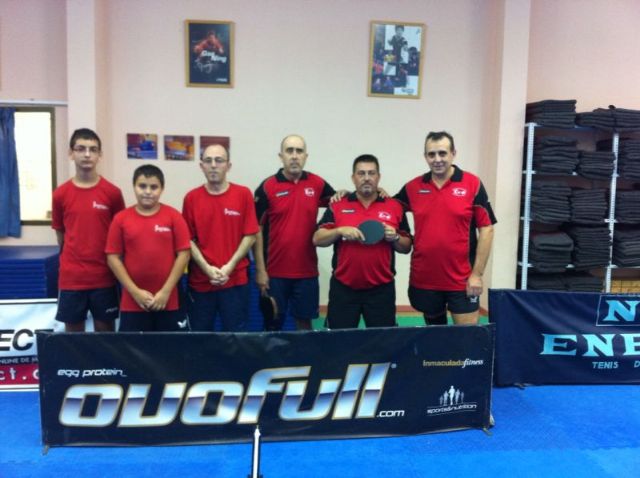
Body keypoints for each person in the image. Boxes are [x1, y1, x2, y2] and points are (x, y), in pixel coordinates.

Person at [394, 131, 496, 325]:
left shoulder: (472, 184)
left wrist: (477, 274)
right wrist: (375, 193)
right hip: (425, 278)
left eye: (442, 153)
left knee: (466, 337)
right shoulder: (413, 187)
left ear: (453, 153)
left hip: (462, 280)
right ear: (425, 156)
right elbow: (390, 208)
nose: (437, 159)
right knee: (436, 335)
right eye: (431, 154)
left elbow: (487, 229)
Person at [313, 154, 411, 329]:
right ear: (353, 178)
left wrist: (395, 237)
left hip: (381, 291)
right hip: (343, 289)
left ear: (378, 177)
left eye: (371, 173)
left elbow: (406, 247)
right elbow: (317, 239)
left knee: (383, 341)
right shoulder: (338, 204)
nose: (366, 178)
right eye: (361, 173)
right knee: (339, 341)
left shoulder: (395, 206)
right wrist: (339, 231)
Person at [253, 134, 336, 330]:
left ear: (306, 156)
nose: (294, 156)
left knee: (304, 326)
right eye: (289, 151)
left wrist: (347, 192)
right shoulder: (267, 187)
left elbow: (340, 203)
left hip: (307, 272)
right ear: (281, 156)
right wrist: (261, 270)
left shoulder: (317, 184)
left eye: (299, 151)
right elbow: (256, 230)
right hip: (274, 274)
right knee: (273, 326)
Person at [51, 128, 125, 332]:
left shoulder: (112, 193)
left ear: (100, 155)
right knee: (74, 340)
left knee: (105, 337)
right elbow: (60, 234)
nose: (87, 154)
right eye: (81, 148)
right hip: (71, 279)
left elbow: (120, 234)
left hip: (104, 276)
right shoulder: (60, 194)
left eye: (93, 149)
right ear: (71, 153)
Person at [182, 144, 259, 331]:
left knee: (235, 338)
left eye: (219, 160)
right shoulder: (191, 198)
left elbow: (250, 235)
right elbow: (188, 240)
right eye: (208, 161)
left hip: (235, 281)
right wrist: (207, 269)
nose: (213, 165)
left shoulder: (243, 195)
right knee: (200, 338)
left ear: (228, 166)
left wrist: (229, 267)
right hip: (201, 283)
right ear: (201, 166)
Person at [105, 165, 191, 332]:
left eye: (154, 187)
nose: (148, 192)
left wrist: (165, 292)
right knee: (132, 348)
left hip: (168, 299)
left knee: (172, 347)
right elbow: (112, 258)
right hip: (133, 301)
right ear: (134, 187)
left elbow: (184, 255)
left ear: (162, 189)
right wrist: (135, 292)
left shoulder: (174, 216)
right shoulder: (121, 219)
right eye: (142, 186)